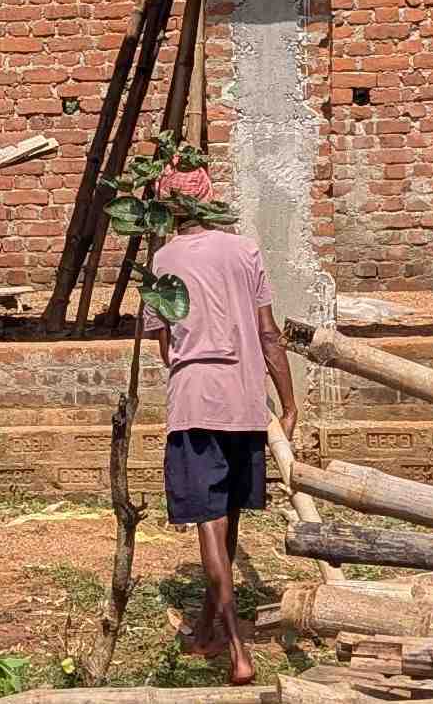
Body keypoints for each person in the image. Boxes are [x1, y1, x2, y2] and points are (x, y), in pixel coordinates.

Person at [142, 163, 299, 686]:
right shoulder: (245, 250)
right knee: (229, 516)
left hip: (195, 403)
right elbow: (269, 334)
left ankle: (235, 649)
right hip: (244, 401)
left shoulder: (160, 262)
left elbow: (165, 349)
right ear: (210, 198)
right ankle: (209, 627)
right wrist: (288, 401)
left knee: (209, 523)